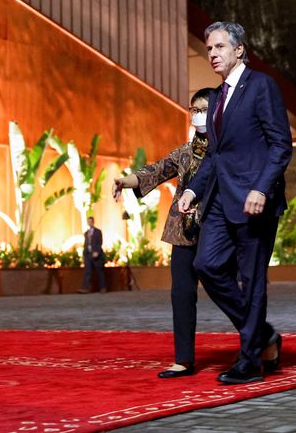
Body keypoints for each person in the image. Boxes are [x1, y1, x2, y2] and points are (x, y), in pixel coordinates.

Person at [179, 21, 292, 384]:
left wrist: (261, 188)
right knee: (206, 265)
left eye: (219, 47)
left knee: (251, 280)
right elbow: (213, 156)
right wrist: (192, 190)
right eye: (209, 48)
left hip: (254, 202)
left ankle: (250, 361)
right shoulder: (216, 98)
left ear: (239, 49)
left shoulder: (261, 86)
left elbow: (280, 144)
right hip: (218, 201)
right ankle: (262, 335)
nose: (212, 54)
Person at [112, 88, 212, 379]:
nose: (197, 115)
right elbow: (154, 170)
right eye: (193, 110)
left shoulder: (225, 151)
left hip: (214, 230)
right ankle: (183, 360)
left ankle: (260, 340)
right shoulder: (183, 152)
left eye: (203, 109)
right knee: (181, 294)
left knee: (225, 291)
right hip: (181, 230)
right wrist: (124, 180)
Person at [78, 216, 107, 294]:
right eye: (88, 222)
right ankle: (85, 288)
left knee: (99, 271)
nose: (90, 223)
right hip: (88, 255)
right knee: (87, 271)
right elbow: (86, 244)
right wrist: (84, 254)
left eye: (91, 221)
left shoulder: (98, 232)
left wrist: (97, 252)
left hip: (96, 254)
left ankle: (103, 287)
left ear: (93, 222)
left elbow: (100, 242)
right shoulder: (86, 233)